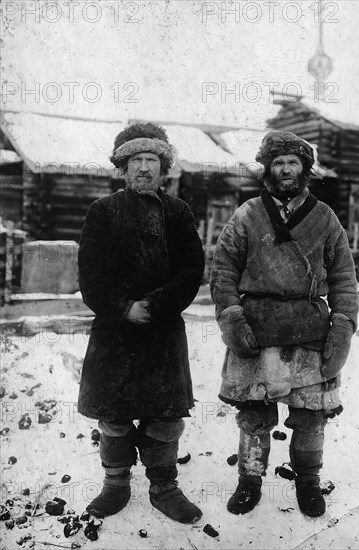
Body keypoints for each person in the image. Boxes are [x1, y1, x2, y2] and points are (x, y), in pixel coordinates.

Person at [210, 130, 359, 518]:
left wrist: (342, 327)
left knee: (310, 416)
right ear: (268, 169)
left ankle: (307, 481)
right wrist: (231, 316)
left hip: (308, 327)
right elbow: (224, 270)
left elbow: (343, 276)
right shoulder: (247, 214)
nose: (286, 169)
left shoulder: (325, 217)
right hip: (257, 327)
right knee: (255, 415)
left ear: (305, 169)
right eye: (279, 163)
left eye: (294, 162)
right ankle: (250, 480)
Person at [77, 122, 205, 524]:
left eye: (152, 160)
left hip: (163, 330)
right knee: (113, 415)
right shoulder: (102, 212)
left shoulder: (178, 213)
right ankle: (115, 484)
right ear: (123, 167)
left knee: (166, 414)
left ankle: (164, 487)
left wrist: (154, 305)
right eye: (136, 160)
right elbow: (91, 275)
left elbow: (191, 270)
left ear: (163, 167)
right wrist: (122, 308)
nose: (144, 168)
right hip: (113, 332)